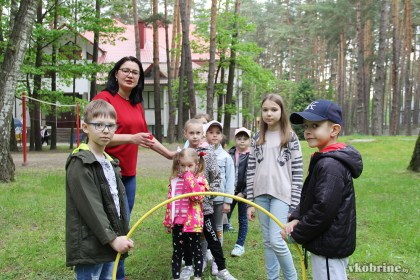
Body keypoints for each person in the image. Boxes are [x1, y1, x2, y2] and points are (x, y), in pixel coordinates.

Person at [93, 56, 175, 279]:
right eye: (125, 70)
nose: (130, 75)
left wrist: (169, 154)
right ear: (116, 73)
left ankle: (117, 272)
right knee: (111, 225)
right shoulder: (105, 98)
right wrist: (130, 138)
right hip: (107, 172)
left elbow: (145, 136)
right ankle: (114, 275)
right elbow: (97, 135)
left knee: (123, 225)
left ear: (139, 77)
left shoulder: (135, 103)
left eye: (135, 72)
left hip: (129, 175)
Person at [281, 99, 363, 280]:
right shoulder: (324, 158)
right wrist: (296, 217)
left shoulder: (331, 165)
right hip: (326, 242)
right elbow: (313, 197)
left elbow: (323, 209)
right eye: (305, 126)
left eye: (315, 125)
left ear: (334, 130)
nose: (308, 131)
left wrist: (299, 234)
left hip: (328, 246)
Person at [65, 99, 134, 280]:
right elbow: (91, 206)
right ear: (85, 127)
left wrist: (118, 235)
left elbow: (116, 204)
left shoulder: (109, 161)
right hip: (91, 243)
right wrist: (112, 239)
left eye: (111, 126)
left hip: (108, 241)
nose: (106, 130)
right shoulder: (80, 162)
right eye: (99, 125)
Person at [246, 94, 303, 280]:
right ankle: (273, 278)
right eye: (265, 110)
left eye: (273, 109)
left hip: (281, 195)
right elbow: (251, 170)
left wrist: (294, 206)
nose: (269, 114)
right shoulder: (257, 138)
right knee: (267, 242)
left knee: (277, 240)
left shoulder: (290, 138)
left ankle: (291, 277)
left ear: (281, 111)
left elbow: (297, 173)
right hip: (260, 194)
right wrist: (249, 202)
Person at [180, 119, 236, 280]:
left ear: (202, 134)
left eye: (198, 133)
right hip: (187, 207)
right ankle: (191, 266)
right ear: (186, 134)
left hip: (205, 206)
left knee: (212, 236)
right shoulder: (183, 154)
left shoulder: (208, 153)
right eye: (192, 133)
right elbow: (177, 177)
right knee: (189, 237)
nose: (195, 136)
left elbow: (217, 177)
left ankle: (222, 269)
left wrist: (209, 194)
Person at [163, 148, 208, 280]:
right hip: (177, 222)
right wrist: (167, 222)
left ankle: (198, 276)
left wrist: (189, 177)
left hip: (192, 223)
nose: (186, 169)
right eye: (182, 165)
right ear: (178, 164)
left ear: (197, 165)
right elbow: (170, 202)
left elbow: (197, 197)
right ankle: (176, 277)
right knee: (177, 251)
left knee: (196, 250)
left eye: (190, 165)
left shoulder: (200, 180)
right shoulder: (174, 181)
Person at [204, 120, 235, 274]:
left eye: (217, 133)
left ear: (222, 136)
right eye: (211, 132)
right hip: (203, 201)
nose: (214, 136)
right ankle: (202, 258)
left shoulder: (226, 157)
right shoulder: (200, 153)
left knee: (218, 229)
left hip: (219, 201)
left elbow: (230, 180)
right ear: (205, 134)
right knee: (203, 231)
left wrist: (228, 200)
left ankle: (217, 260)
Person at [226, 127, 252, 257]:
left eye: (245, 139)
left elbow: (252, 176)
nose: (242, 141)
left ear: (249, 140)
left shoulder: (252, 156)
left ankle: (239, 245)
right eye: (239, 138)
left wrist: (244, 193)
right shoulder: (229, 153)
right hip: (229, 192)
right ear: (235, 139)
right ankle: (217, 240)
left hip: (243, 194)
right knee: (225, 216)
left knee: (243, 219)